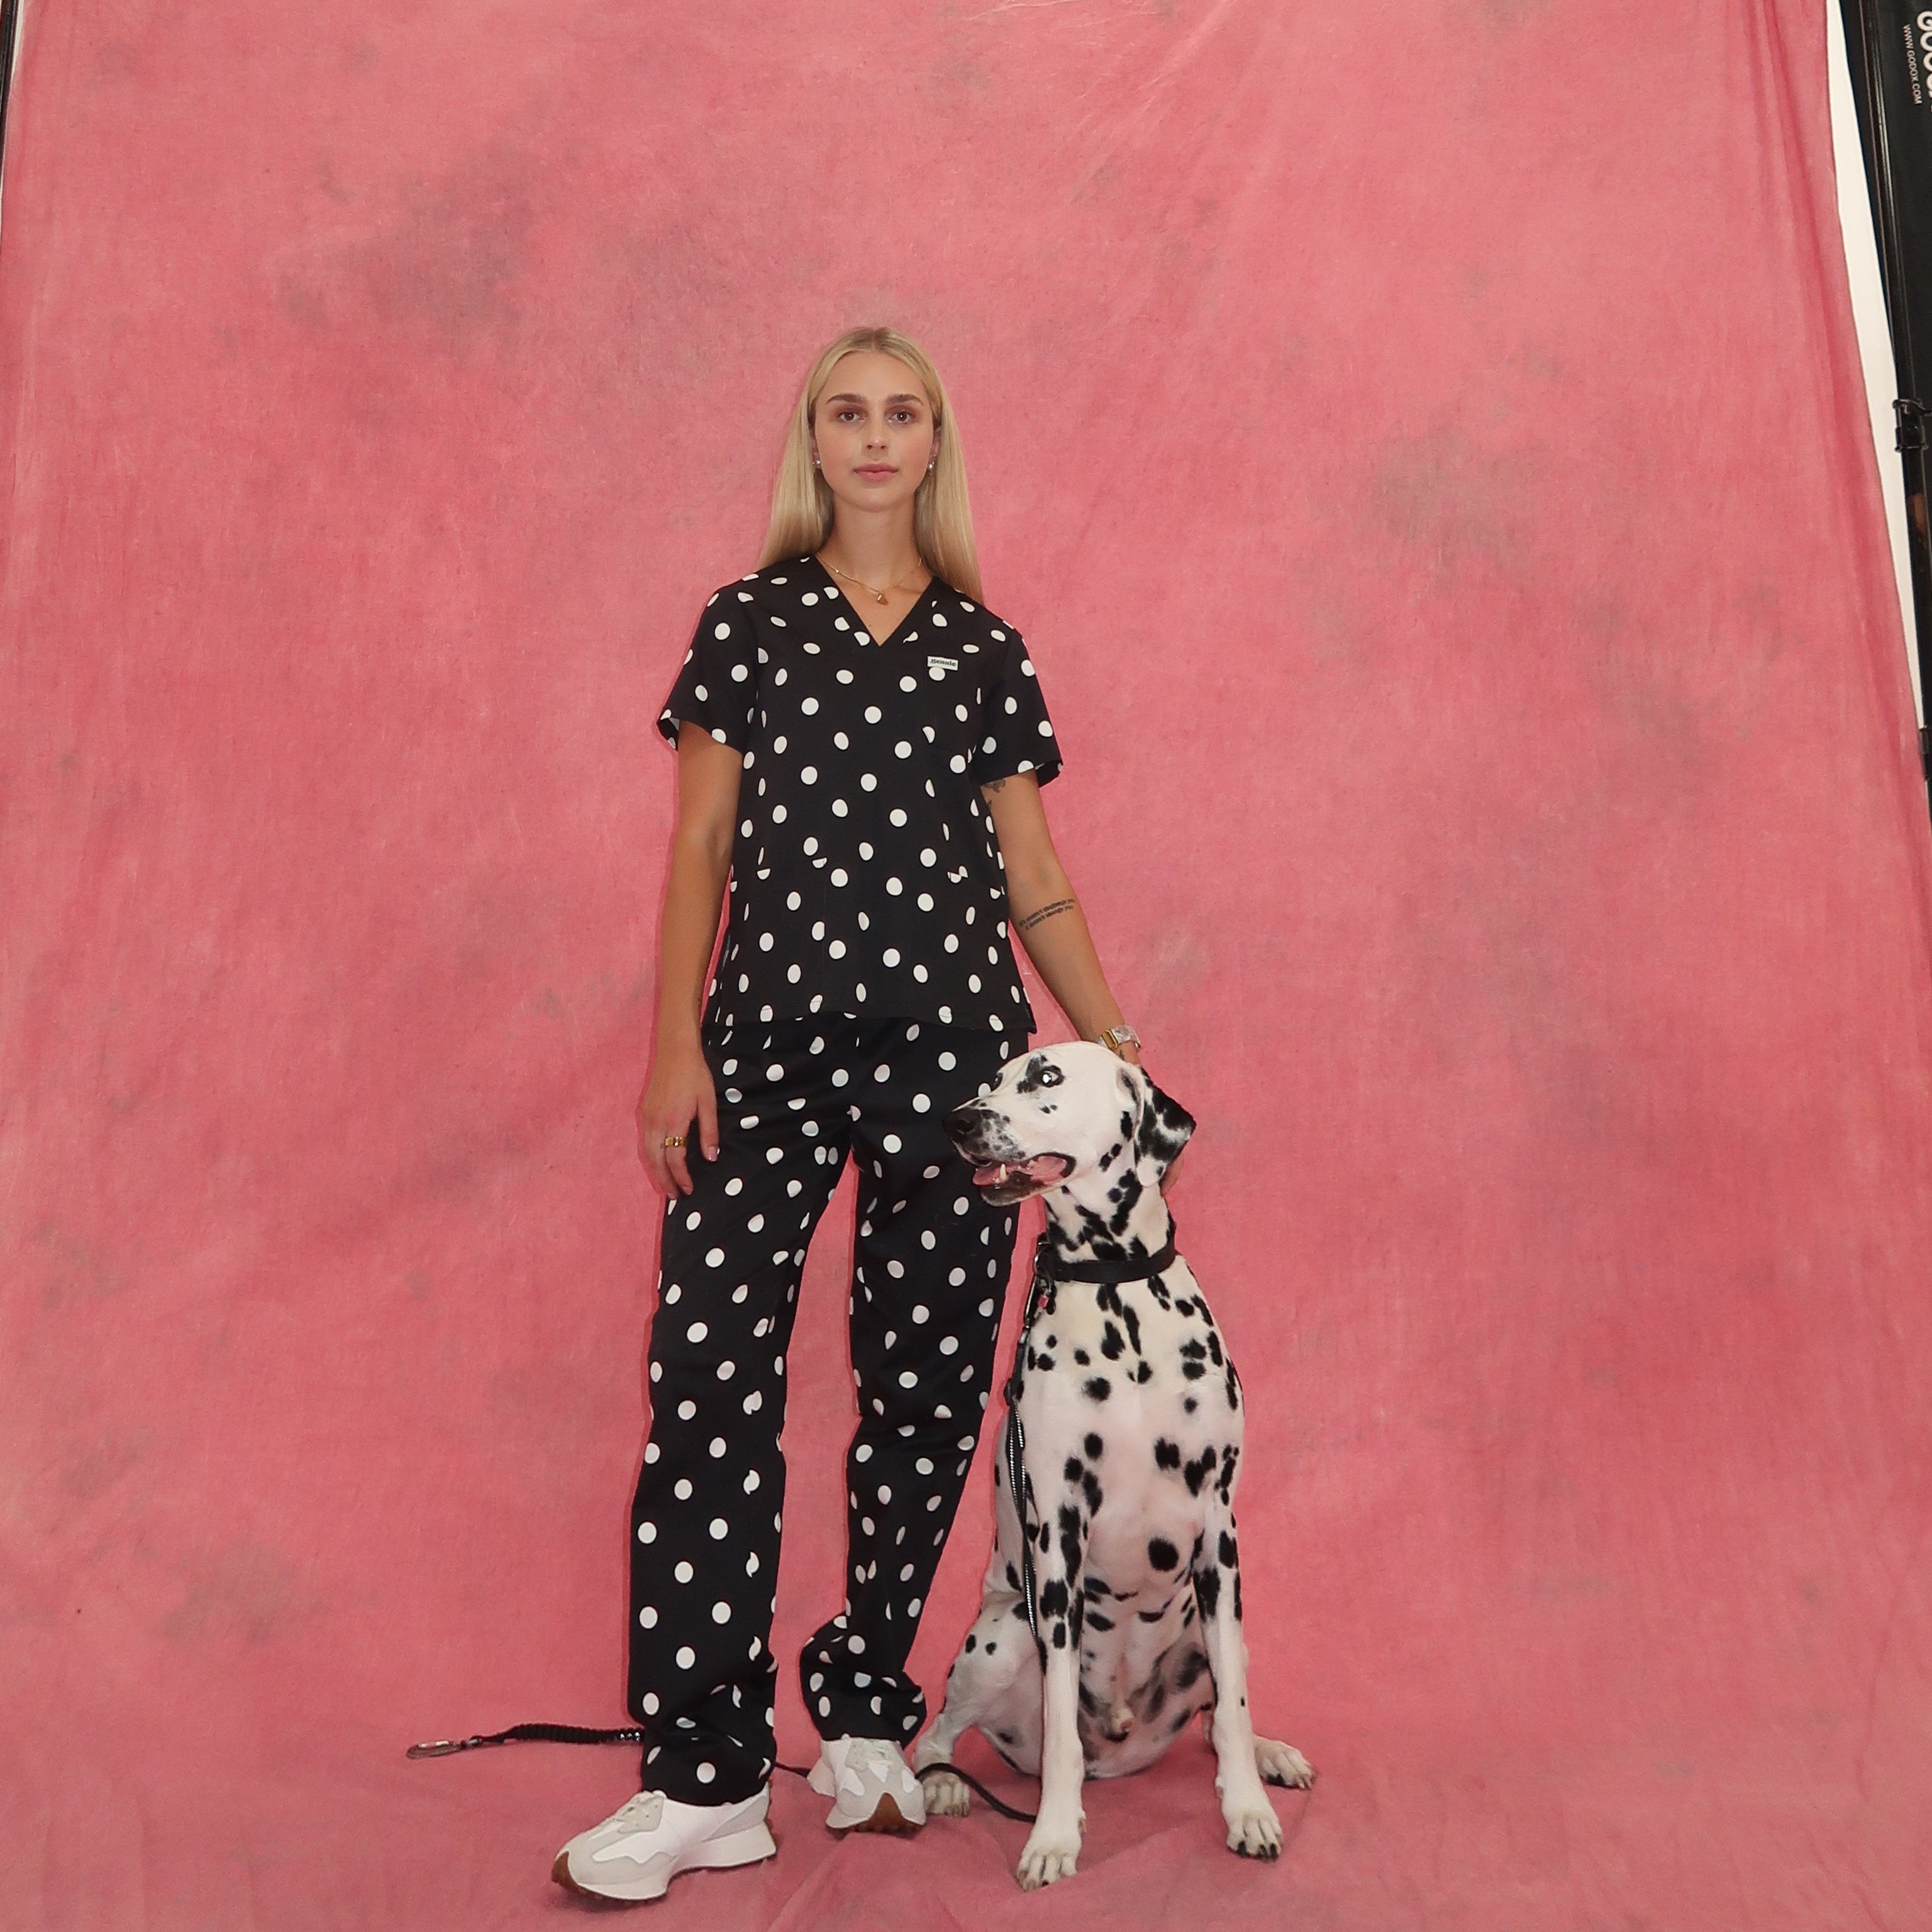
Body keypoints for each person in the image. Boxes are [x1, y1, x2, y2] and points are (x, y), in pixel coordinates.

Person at [553, 325, 1149, 1903]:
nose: (876, 438)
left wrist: (1115, 1047)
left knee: (930, 1389)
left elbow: (1036, 879)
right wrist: (674, 1048)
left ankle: (872, 1708)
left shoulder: (984, 647)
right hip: (766, 1047)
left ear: (935, 446)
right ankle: (706, 1776)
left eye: (905, 415)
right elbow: (698, 855)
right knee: (711, 1379)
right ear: (811, 444)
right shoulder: (746, 628)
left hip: (958, 1072)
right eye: (848, 413)